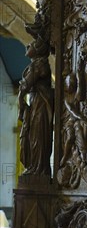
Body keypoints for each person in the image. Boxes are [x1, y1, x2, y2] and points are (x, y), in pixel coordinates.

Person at [18, 37, 53, 175]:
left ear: (38, 50)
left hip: (40, 106)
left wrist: (21, 96)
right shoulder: (36, 65)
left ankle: (38, 169)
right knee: (33, 136)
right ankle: (35, 168)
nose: (27, 46)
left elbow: (26, 85)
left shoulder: (39, 66)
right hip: (35, 104)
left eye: (31, 44)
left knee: (37, 137)